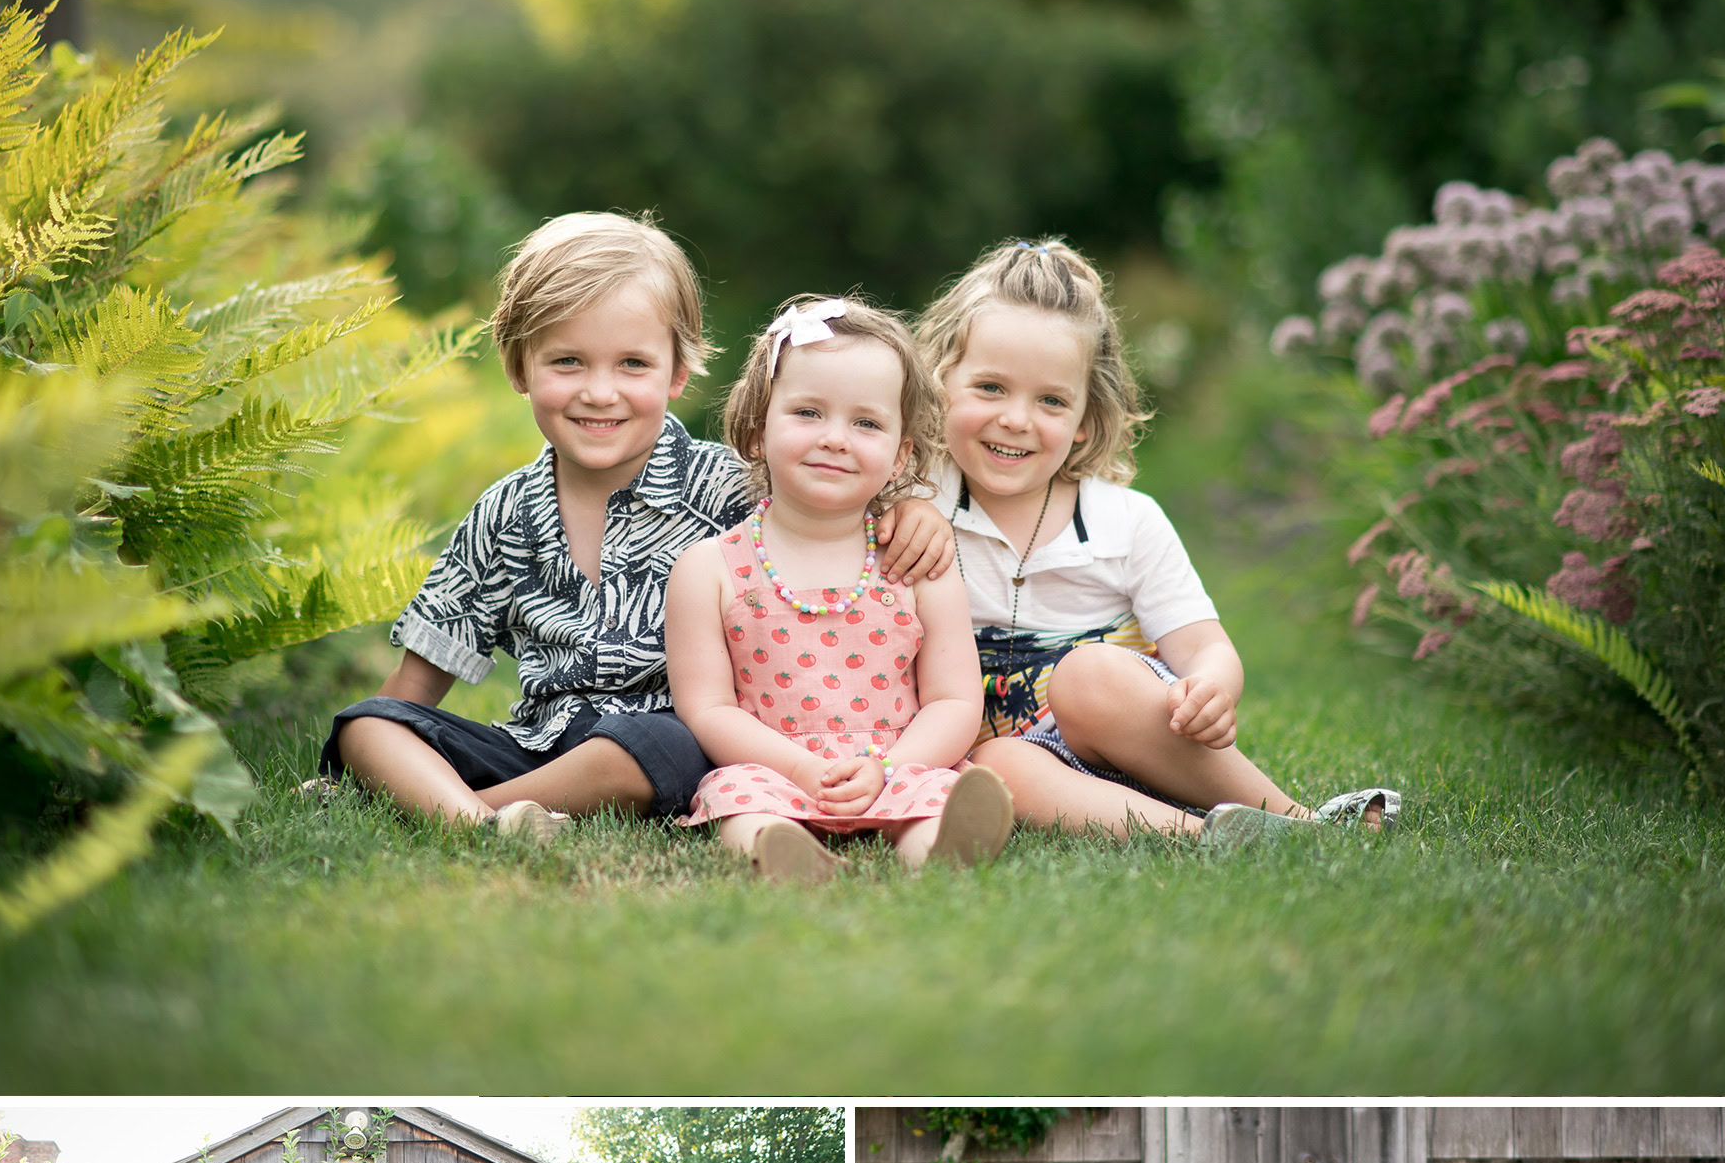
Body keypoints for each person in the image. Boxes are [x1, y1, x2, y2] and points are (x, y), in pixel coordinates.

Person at [322, 202, 950, 847]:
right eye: (567, 363)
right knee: (366, 724)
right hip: (535, 744)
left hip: (671, 746)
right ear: (518, 368)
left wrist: (909, 510)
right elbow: (420, 678)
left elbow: (829, 510)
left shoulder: (727, 485)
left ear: (678, 371)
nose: (600, 392)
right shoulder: (504, 513)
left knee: (652, 741)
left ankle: (458, 810)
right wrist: (382, 735)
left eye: (632, 364)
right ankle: (489, 822)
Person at [918, 230, 1400, 845]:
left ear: (1087, 423)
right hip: (1046, 775)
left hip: (1145, 737)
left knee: (1086, 676)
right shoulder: (915, 504)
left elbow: (1205, 646)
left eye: (1051, 401)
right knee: (996, 768)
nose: (1016, 419)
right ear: (939, 384)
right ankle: (1208, 836)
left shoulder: (1126, 521)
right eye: (990, 388)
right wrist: (906, 503)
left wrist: (1213, 689)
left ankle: (1299, 820)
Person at [666, 292, 1012, 881]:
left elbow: (955, 700)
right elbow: (708, 708)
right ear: (756, 431)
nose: (835, 438)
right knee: (740, 801)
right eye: (807, 413)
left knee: (933, 794)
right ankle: (783, 853)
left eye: (866, 423)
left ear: (901, 456)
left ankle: (937, 850)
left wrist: (889, 766)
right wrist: (799, 771)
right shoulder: (709, 569)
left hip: (896, 764)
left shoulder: (916, 563)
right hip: (772, 765)